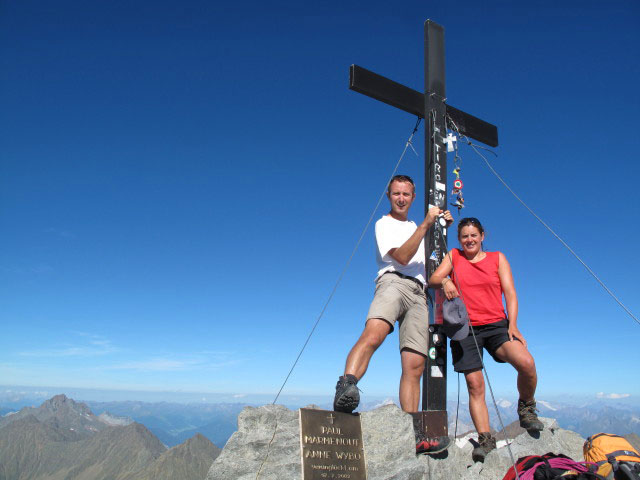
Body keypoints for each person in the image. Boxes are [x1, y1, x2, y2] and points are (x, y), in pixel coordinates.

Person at [332, 174, 453, 453]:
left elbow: (431, 258)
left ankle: (414, 430)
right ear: (389, 195)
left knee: (415, 365)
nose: (401, 198)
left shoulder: (415, 226)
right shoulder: (384, 224)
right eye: (396, 193)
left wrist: (443, 225)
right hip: (392, 281)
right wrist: (426, 223)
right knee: (375, 333)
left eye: (406, 194)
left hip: (419, 292)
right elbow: (401, 257)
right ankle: (346, 387)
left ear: (412, 197)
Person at [429, 217, 543, 462]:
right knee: (475, 385)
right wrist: (447, 279)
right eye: (464, 236)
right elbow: (433, 279)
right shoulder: (454, 256)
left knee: (526, 363)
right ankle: (485, 438)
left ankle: (526, 406)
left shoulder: (497, 258)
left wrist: (513, 324)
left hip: (496, 326)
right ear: (459, 239)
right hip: (464, 328)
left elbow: (510, 293)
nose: (469, 240)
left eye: (473, 235)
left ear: (482, 236)